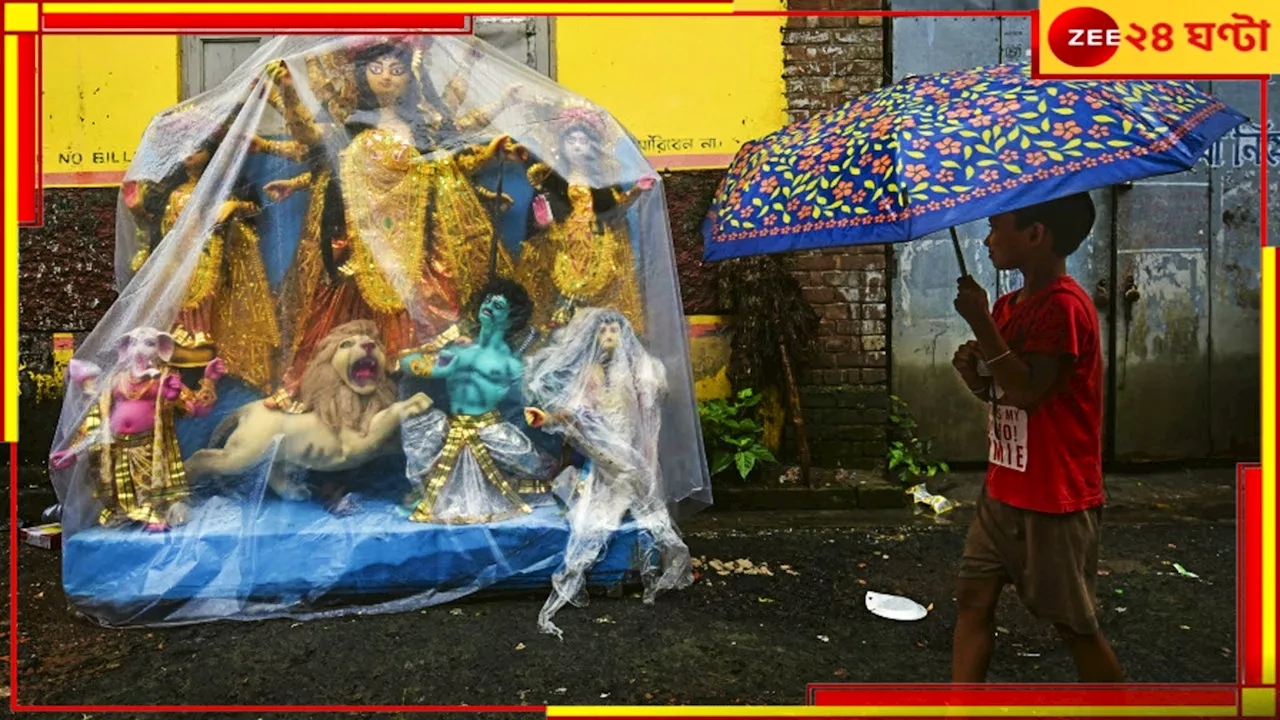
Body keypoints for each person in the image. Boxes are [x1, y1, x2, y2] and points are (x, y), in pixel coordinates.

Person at [950, 191, 1124, 683]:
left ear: (1034, 234)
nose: (986, 239)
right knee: (973, 598)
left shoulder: (1065, 307)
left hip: (1054, 499)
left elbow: (1028, 390)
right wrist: (974, 373)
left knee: (1075, 626)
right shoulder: (1010, 305)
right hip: (1004, 489)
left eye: (996, 227)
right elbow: (1003, 390)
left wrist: (981, 323)